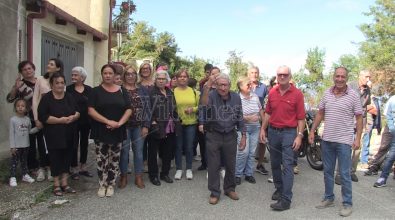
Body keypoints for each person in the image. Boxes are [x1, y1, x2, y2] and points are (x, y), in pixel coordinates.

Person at [309, 67, 363, 217]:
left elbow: (359, 118)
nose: (340, 79)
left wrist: (357, 138)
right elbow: (320, 113)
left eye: (343, 76)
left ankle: (347, 203)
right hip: (327, 140)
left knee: (344, 174)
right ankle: (328, 198)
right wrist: (312, 130)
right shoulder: (327, 93)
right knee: (327, 171)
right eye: (337, 76)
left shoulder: (353, 95)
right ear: (333, 77)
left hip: (344, 141)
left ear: (347, 78)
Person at [260, 65, 305, 211]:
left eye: (285, 74)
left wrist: (299, 135)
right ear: (276, 76)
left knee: (287, 166)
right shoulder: (272, 92)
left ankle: (286, 199)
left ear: (290, 76)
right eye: (279, 74)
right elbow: (268, 113)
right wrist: (263, 129)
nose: (282, 76)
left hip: (289, 134)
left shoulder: (297, 94)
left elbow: (301, 118)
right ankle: (279, 189)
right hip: (273, 132)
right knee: (274, 164)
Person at [200, 72, 246, 205]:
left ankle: (229, 189)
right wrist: (208, 86)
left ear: (230, 85)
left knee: (231, 164)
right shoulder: (212, 95)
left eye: (225, 85)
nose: (223, 88)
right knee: (213, 165)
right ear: (216, 85)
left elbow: (240, 116)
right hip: (214, 134)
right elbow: (203, 105)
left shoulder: (236, 97)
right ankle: (214, 192)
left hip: (230, 135)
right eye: (220, 85)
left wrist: (243, 135)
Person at [88, 64, 132, 197]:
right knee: (101, 159)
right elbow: (90, 110)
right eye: (105, 73)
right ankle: (102, 184)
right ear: (102, 75)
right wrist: (108, 122)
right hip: (101, 129)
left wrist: (118, 123)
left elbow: (129, 109)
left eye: (110, 73)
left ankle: (111, 184)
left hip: (117, 130)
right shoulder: (95, 91)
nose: (107, 75)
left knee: (114, 159)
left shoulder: (122, 91)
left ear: (114, 75)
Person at [38, 72, 80, 196]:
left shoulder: (69, 97)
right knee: (55, 159)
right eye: (57, 83)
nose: (60, 85)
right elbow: (43, 116)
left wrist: (74, 117)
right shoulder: (46, 98)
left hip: (69, 133)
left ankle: (65, 184)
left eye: (62, 82)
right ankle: (56, 185)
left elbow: (78, 111)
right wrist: (59, 120)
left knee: (67, 158)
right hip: (53, 135)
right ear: (52, 84)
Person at [335, 70, 371, 184]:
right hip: (348, 122)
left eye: (369, 77)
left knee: (357, 148)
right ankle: (339, 174)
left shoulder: (367, 90)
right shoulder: (349, 87)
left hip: (359, 123)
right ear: (360, 77)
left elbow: (365, 108)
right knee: (344, 148)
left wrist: (365, 124)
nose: (368, 79)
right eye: (366, 77)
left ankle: (351, 172)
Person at [32, 58, 64, 182]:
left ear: (58, 68)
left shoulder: (60, 81)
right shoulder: (40, 79)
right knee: (41, 143)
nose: (48, 65)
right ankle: (42, 168)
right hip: (42, 117)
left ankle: (52, 168)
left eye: (51, 64)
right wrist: (36, 118)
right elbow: (35, 99)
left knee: (53, 145)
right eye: (48, 63)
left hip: (55, 120)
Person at [119, 65, 150, 189]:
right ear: (124, 76)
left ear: (136, 76)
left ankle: (138, 177)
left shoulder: (142, 89)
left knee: (138, 153)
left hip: (139, 126)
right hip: (124, 126)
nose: (130, 76)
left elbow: (147, 109)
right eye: (128, 74)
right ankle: (123, 176)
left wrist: (146, 126)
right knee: (124, 152)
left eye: (133, 74)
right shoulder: (119, 89)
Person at [6, 61, 40, 173]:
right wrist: (15, 88)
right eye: (24, 69)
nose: (28, 71)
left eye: (29, 68)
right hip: (27, 118)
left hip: (41, 116)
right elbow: (10, 99)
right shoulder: (20, 84)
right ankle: (31, 167)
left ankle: (45, 165)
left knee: (42, 142)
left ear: (33, 69)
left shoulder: (40, 82)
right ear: (21, 72)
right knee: (29, 142)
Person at [147, 70, 180, 186]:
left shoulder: (170, 92)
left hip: (170, 126)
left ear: (167, 80)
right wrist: (152, 122)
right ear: (155, 80)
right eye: (159, 79)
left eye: (163, 79)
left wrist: (176, 119)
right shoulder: (151, 92)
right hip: (156, 126)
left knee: (167, 151)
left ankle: (164, 173)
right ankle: (153, 175)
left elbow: (174, 108)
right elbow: (147, 109)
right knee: (152, 152)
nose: (161, 81)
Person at [235, 76, 264, 185]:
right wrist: (246, 118)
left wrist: (262, 122)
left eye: (250, 84)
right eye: (248, 84)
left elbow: (261, 111)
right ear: (240, 86)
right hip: (243, 129)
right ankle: (237, 174)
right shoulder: (237, 98)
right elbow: (234, 115)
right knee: (243, 152)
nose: (250, 86)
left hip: (255, 128)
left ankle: (249, 174)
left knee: (251, 153)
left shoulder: (255, 97)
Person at [66, 66, 93, 179]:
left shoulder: (89, 90)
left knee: (84, 143)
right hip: (73, 121)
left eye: (75, 75)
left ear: (82, 77)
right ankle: (74, 167)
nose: (73, 76)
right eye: (72, 75)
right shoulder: (68, 89)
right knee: (73, 144)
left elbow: (92, 105)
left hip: (86, 121)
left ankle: (83, 166)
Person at [173, 69, 199, 180]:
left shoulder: (194, 92)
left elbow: (201, 106)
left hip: (191, 123)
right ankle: (179, 169)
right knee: (178, 147)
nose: (182, 78)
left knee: (189, 147)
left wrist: (193, 109)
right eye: (180, 76)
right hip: (177, 123)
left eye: (185, 76)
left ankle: (188, 168)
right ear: (177, 79)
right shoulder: (172, 91)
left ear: (188, 79)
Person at [9, 99, 36, 187]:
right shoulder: (13, 120)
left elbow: (29, 131)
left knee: (24, 162)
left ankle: (25, 175)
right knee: (14, 162)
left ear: (26, 108)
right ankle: (12, 177)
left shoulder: (27, 119)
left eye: (22, 106)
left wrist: (38, 128)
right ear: (15, 108)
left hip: (26, 145)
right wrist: (12, 146)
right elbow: (11, 134)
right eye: (18, 106)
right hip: (16, 146)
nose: (20, 107)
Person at [247, 66, 269, 176]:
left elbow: (267, 103)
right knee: (246, 143)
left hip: (260, 118)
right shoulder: (244, 86)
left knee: (262, 141)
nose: (254, 74)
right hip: (246, 119)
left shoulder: (263, 87)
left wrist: (264, 117)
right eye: (252, 72)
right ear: (248, 74)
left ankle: (259, 164)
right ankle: (245, 166)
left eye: (256, 72)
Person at [373, 95, 395, 187]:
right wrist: (392, 128)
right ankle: (382, 178)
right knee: (391, 156)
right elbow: (388, 114)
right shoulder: (393, 99)